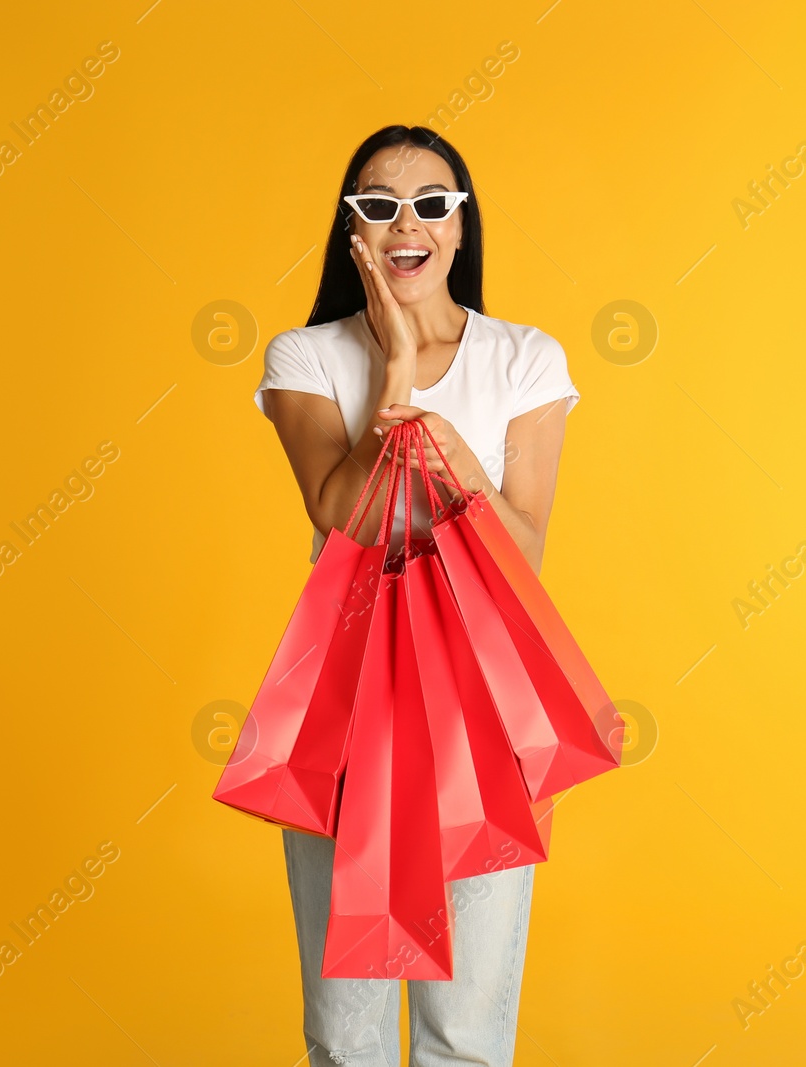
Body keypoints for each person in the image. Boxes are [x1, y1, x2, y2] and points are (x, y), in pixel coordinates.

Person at [252, 124, 581, 1067]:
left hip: (487, 708)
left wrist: (456, 456)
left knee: (468, 1030)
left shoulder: (525, 358)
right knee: (344, 1028)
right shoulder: (305, 356)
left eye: (433, 203)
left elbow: (523, 556)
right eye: (379, 202)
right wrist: (394, 363)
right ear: (350, 225)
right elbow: (344, 516)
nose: (408, 223)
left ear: (461, 222)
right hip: (347, 704)